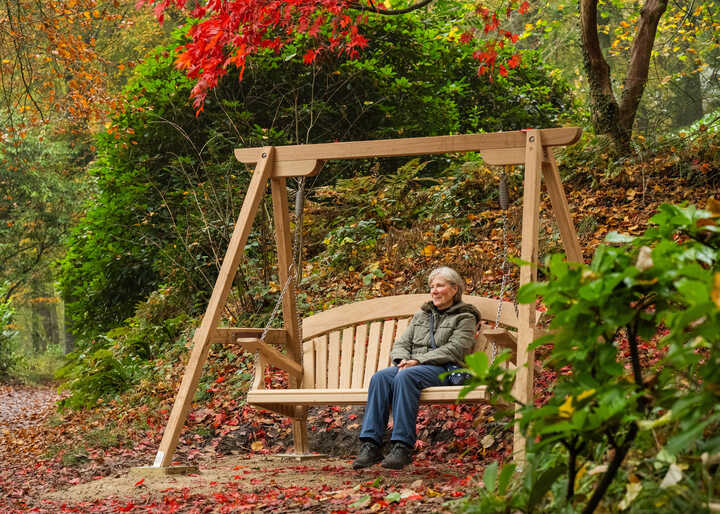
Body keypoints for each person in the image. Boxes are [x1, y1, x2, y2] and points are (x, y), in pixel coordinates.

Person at [352, 266, 482, 470]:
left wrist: (418, 361)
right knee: (381, 378)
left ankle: (402, 447)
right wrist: (402, 359)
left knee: (406, 377)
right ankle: (371, 445)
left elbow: (456, 349)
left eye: (440, 286)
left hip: (444, 369)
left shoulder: (465, 317)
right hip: (413, 367)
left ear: (454, 289)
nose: (434, 290)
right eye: (432, 286)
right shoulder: (422, 315)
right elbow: (401, 343)